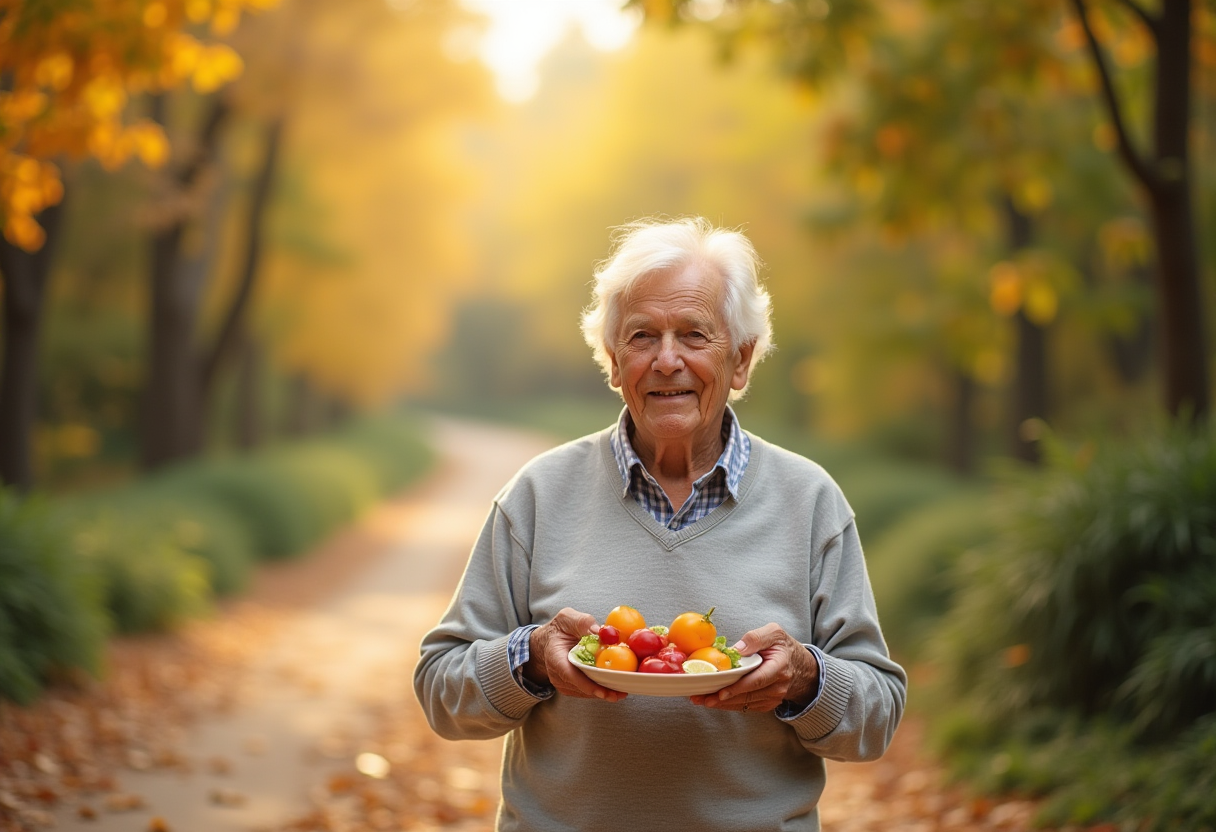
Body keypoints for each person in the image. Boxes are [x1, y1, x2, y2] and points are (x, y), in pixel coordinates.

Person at [414, 217, 907, 832]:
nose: (667, 359)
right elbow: (441, 689)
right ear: (615, 362)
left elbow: (878, 715)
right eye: (642, 336)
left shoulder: (810, 502)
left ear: (741, 360)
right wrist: (531, 658)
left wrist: (807, 679)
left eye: (694, 335)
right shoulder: (539, 495)